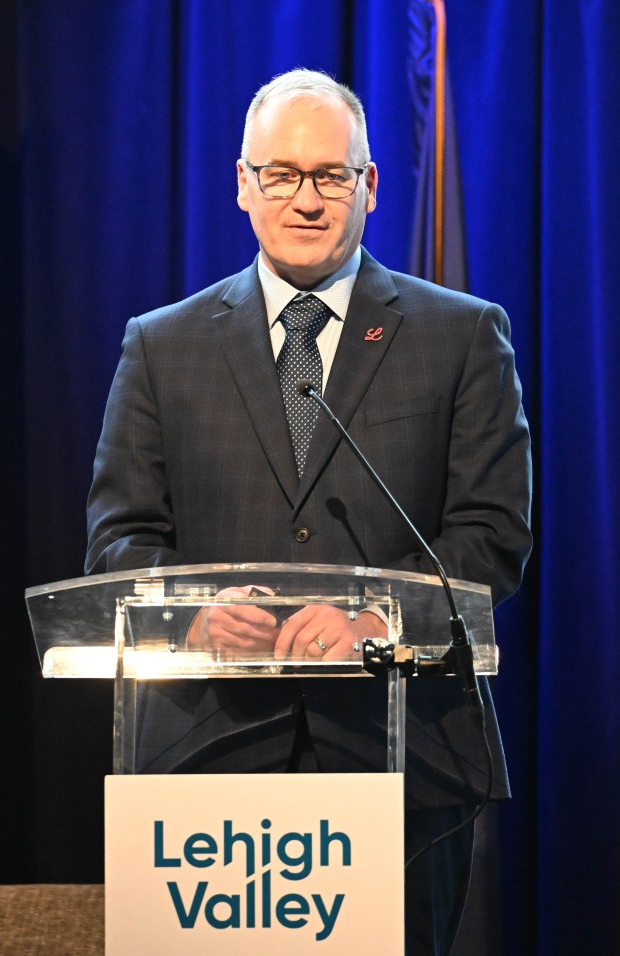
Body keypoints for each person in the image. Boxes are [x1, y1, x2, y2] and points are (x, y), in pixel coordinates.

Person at [86, 69, 532, 954]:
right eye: (282, 174)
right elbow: (118, 540)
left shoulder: (462, 334)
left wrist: (376, 616)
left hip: (403, 762)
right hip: (205, 764)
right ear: (242, 183)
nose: (306, 199)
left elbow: (493, 537)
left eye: (331, 174)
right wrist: (196, 614)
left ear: (370, 185)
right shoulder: (162, 344)